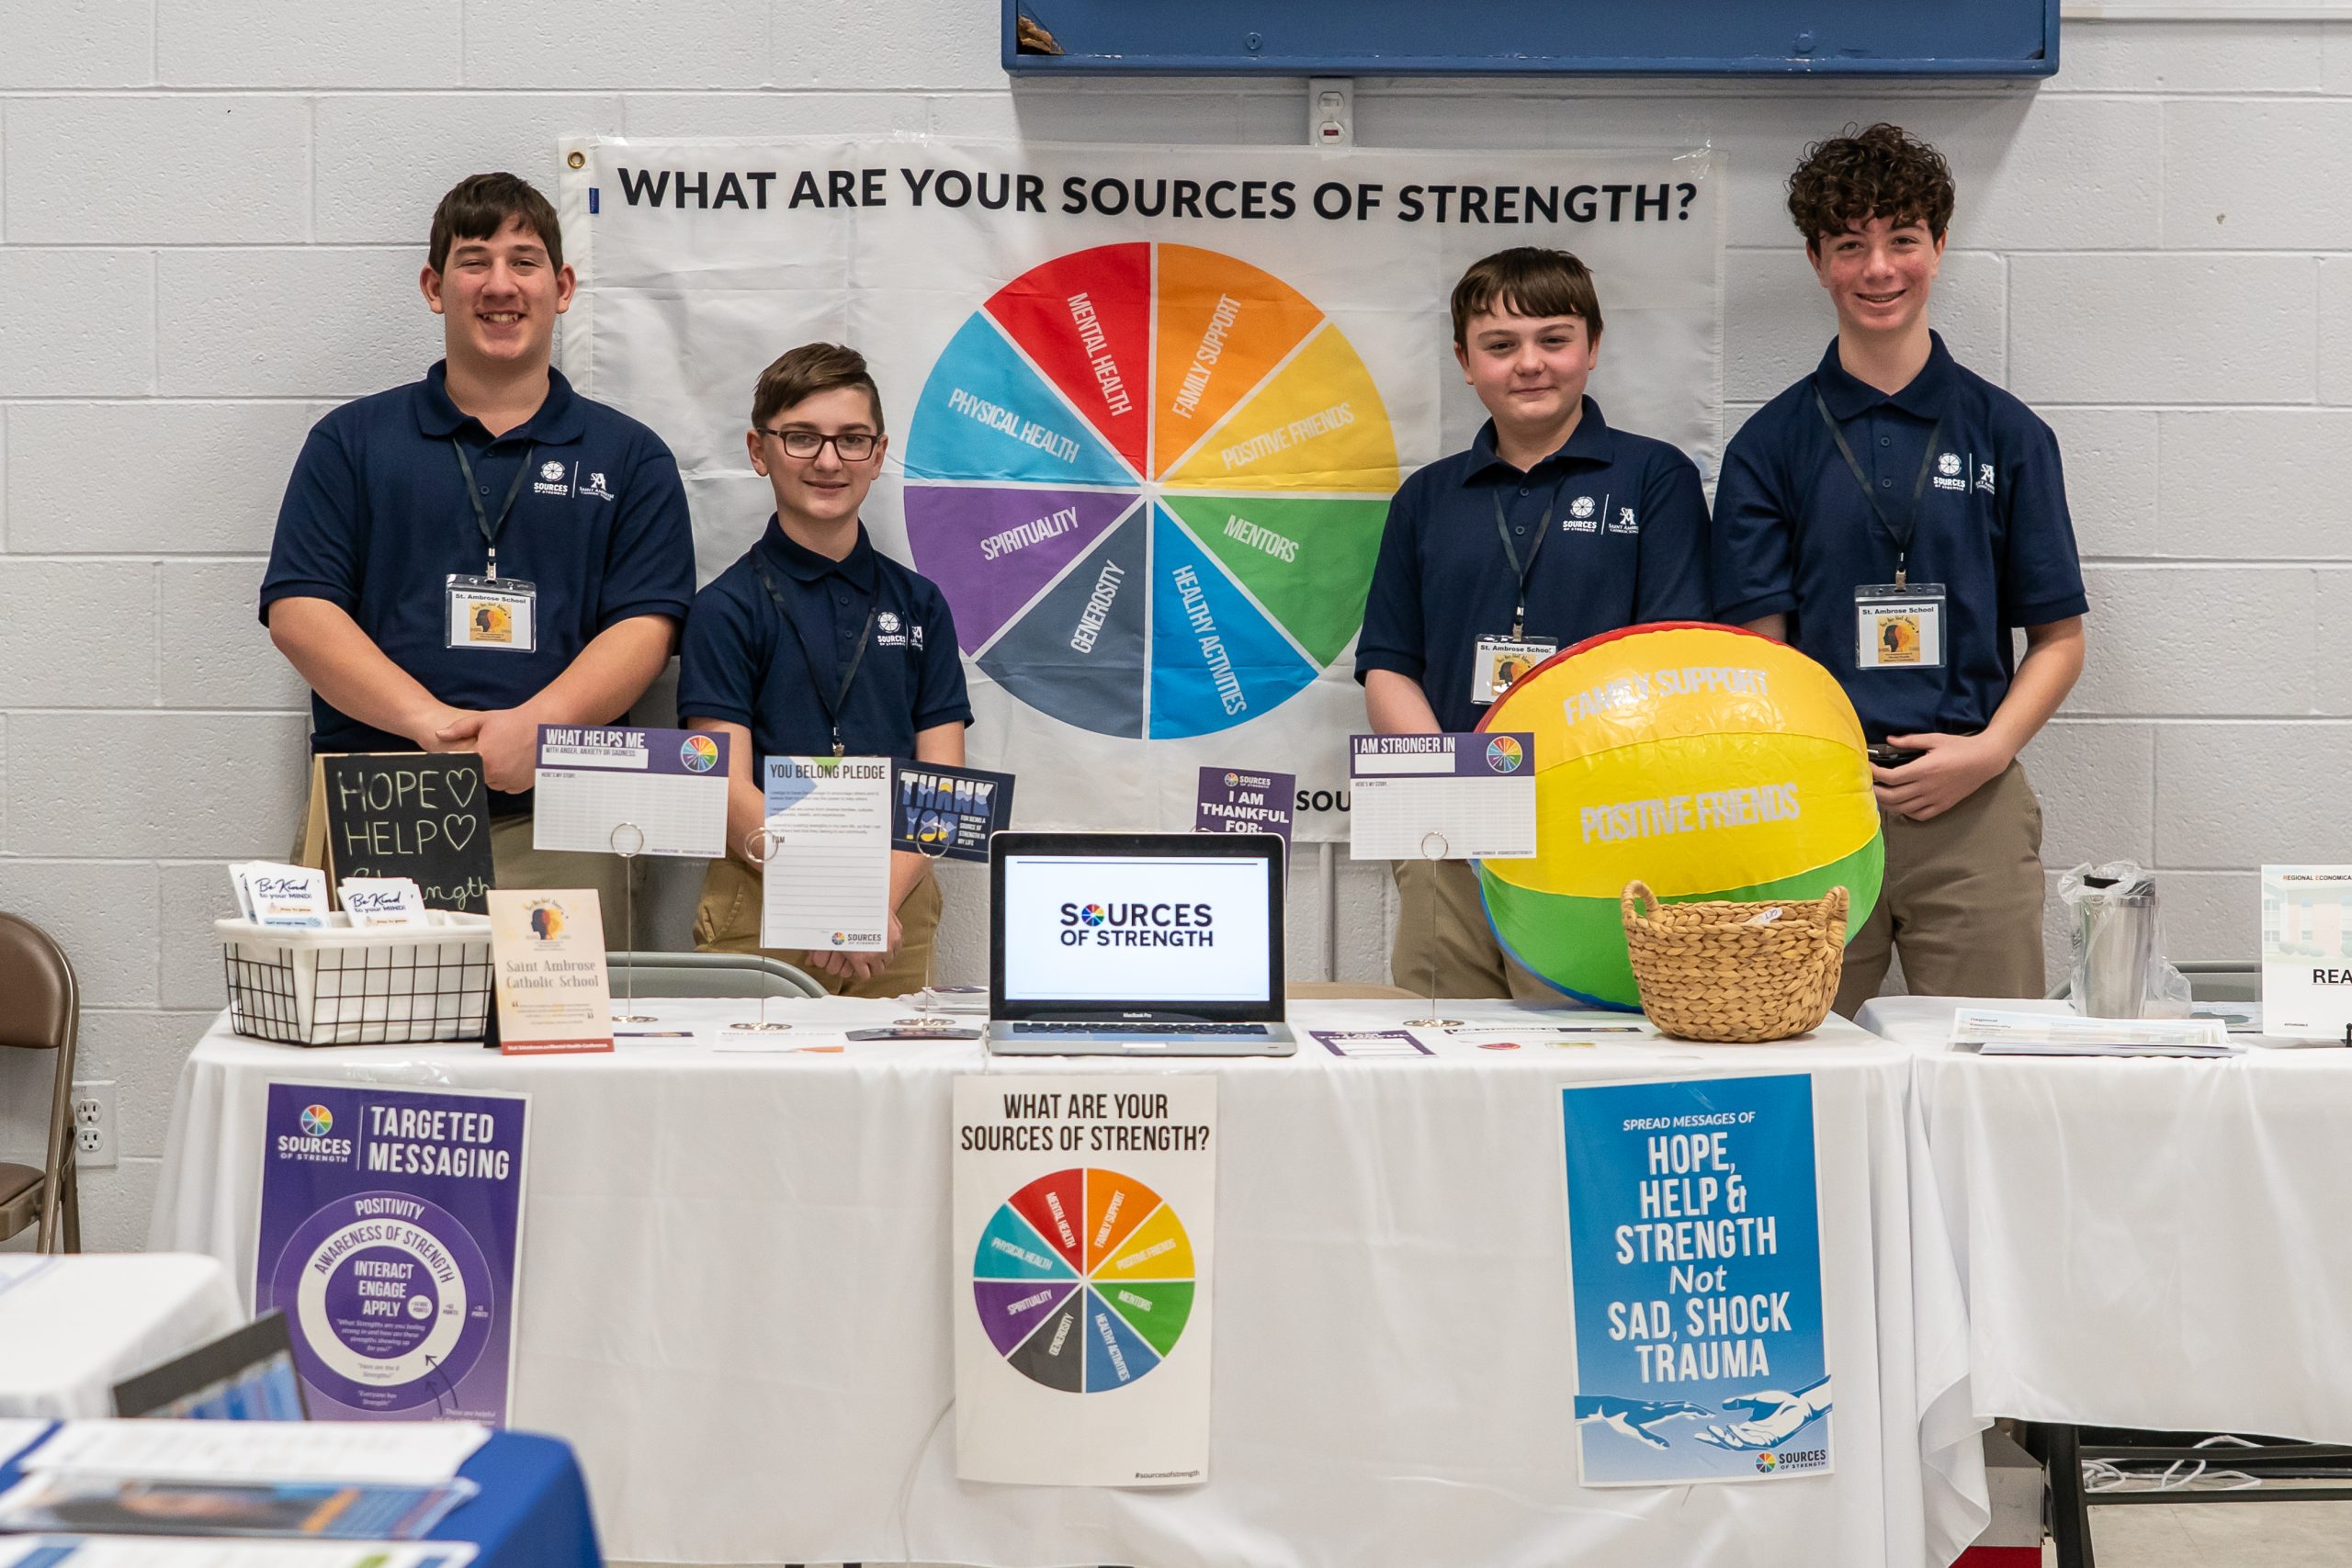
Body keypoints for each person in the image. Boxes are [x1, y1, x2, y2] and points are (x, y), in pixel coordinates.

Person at [1713, 124, 2087, 1013]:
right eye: (1850, 245)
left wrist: (1988, 751)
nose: (1878, 268)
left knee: (1990, 1074)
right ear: (1817, 261)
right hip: (1814, 804)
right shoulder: (1768, 447)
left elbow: (2059, 640)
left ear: (1938, 245)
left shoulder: (2008, 435)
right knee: (1797, 1066)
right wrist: (1821, 769)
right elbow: (1762, 657)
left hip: (1972, 802)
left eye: (1902, 240)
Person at [260, 172, 695, 924]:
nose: (501, 285)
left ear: (562, 286)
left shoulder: (631, 458)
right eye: (474, 261)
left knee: (559, 1042)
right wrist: (431, 726)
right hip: (385, 811)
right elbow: (300, 611)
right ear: (435, 286)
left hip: (569, 821)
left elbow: (647, 631)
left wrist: (536, 728)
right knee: (371, 1036)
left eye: (524, 261)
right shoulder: (351, 443)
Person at [1356, 247, 1712, 998]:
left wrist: (1557, 795)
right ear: (1464, 360)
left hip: (1593, 827)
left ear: (1592, 347)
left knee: (1575, 1053)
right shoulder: (1425, 498)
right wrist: (1460, 795)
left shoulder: (1656, 478)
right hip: (1447, 836)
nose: (1529, 364)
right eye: (1500, 345)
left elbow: (1668, 668)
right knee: (1439, 1049)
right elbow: (1389, 664)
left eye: (1553, 339)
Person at [679, 344, 972, 997]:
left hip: (894, 902)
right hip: (764, 896)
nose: (829, 461)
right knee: (756, 1096)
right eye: (803, 438)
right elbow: (721, 785)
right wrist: (829, 894)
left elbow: (944, 783)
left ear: (878, 452)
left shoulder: (921, 603)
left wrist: (872, 902)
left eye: (851, 440)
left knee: (897, 1094)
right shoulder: (725, 608)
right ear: (760, 451)